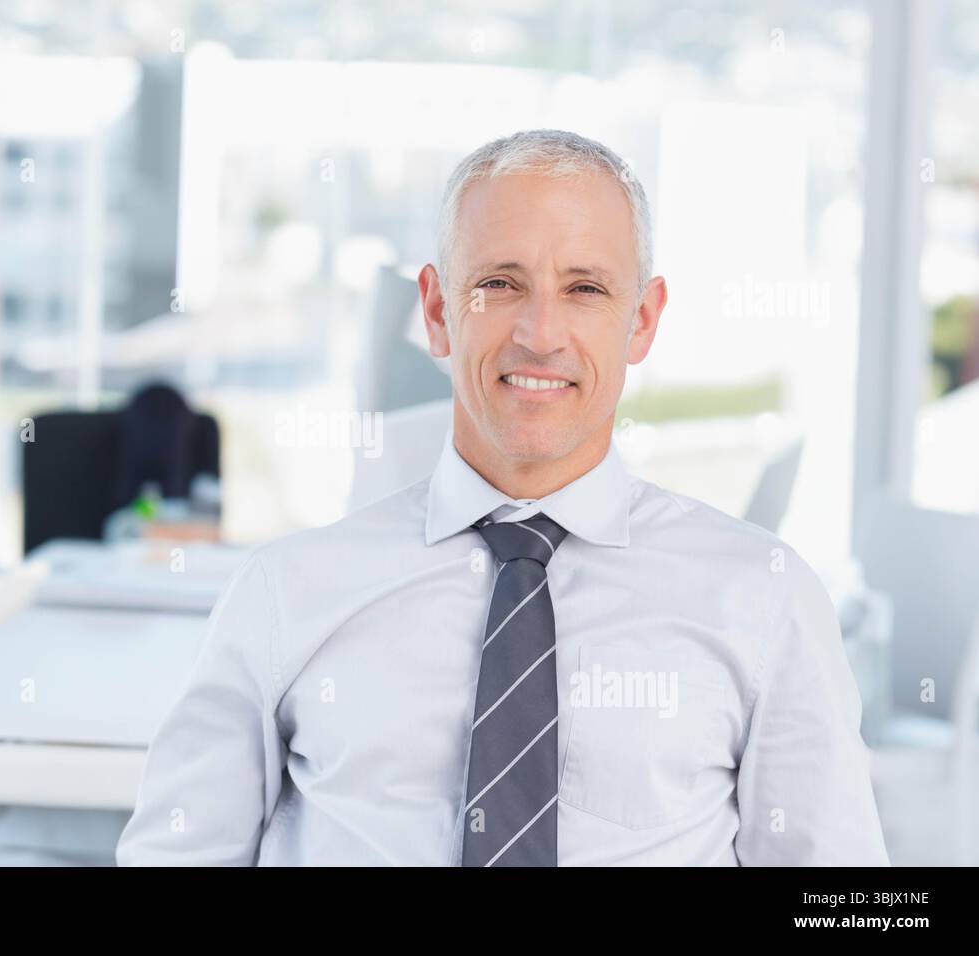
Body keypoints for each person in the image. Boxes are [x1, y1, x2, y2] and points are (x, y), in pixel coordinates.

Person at [115, 129, 889, 866]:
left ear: (642, 321)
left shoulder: (762, 598)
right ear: (439, 310)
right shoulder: (286, 594)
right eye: (498, 285)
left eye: (585, 288)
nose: (541, 333)